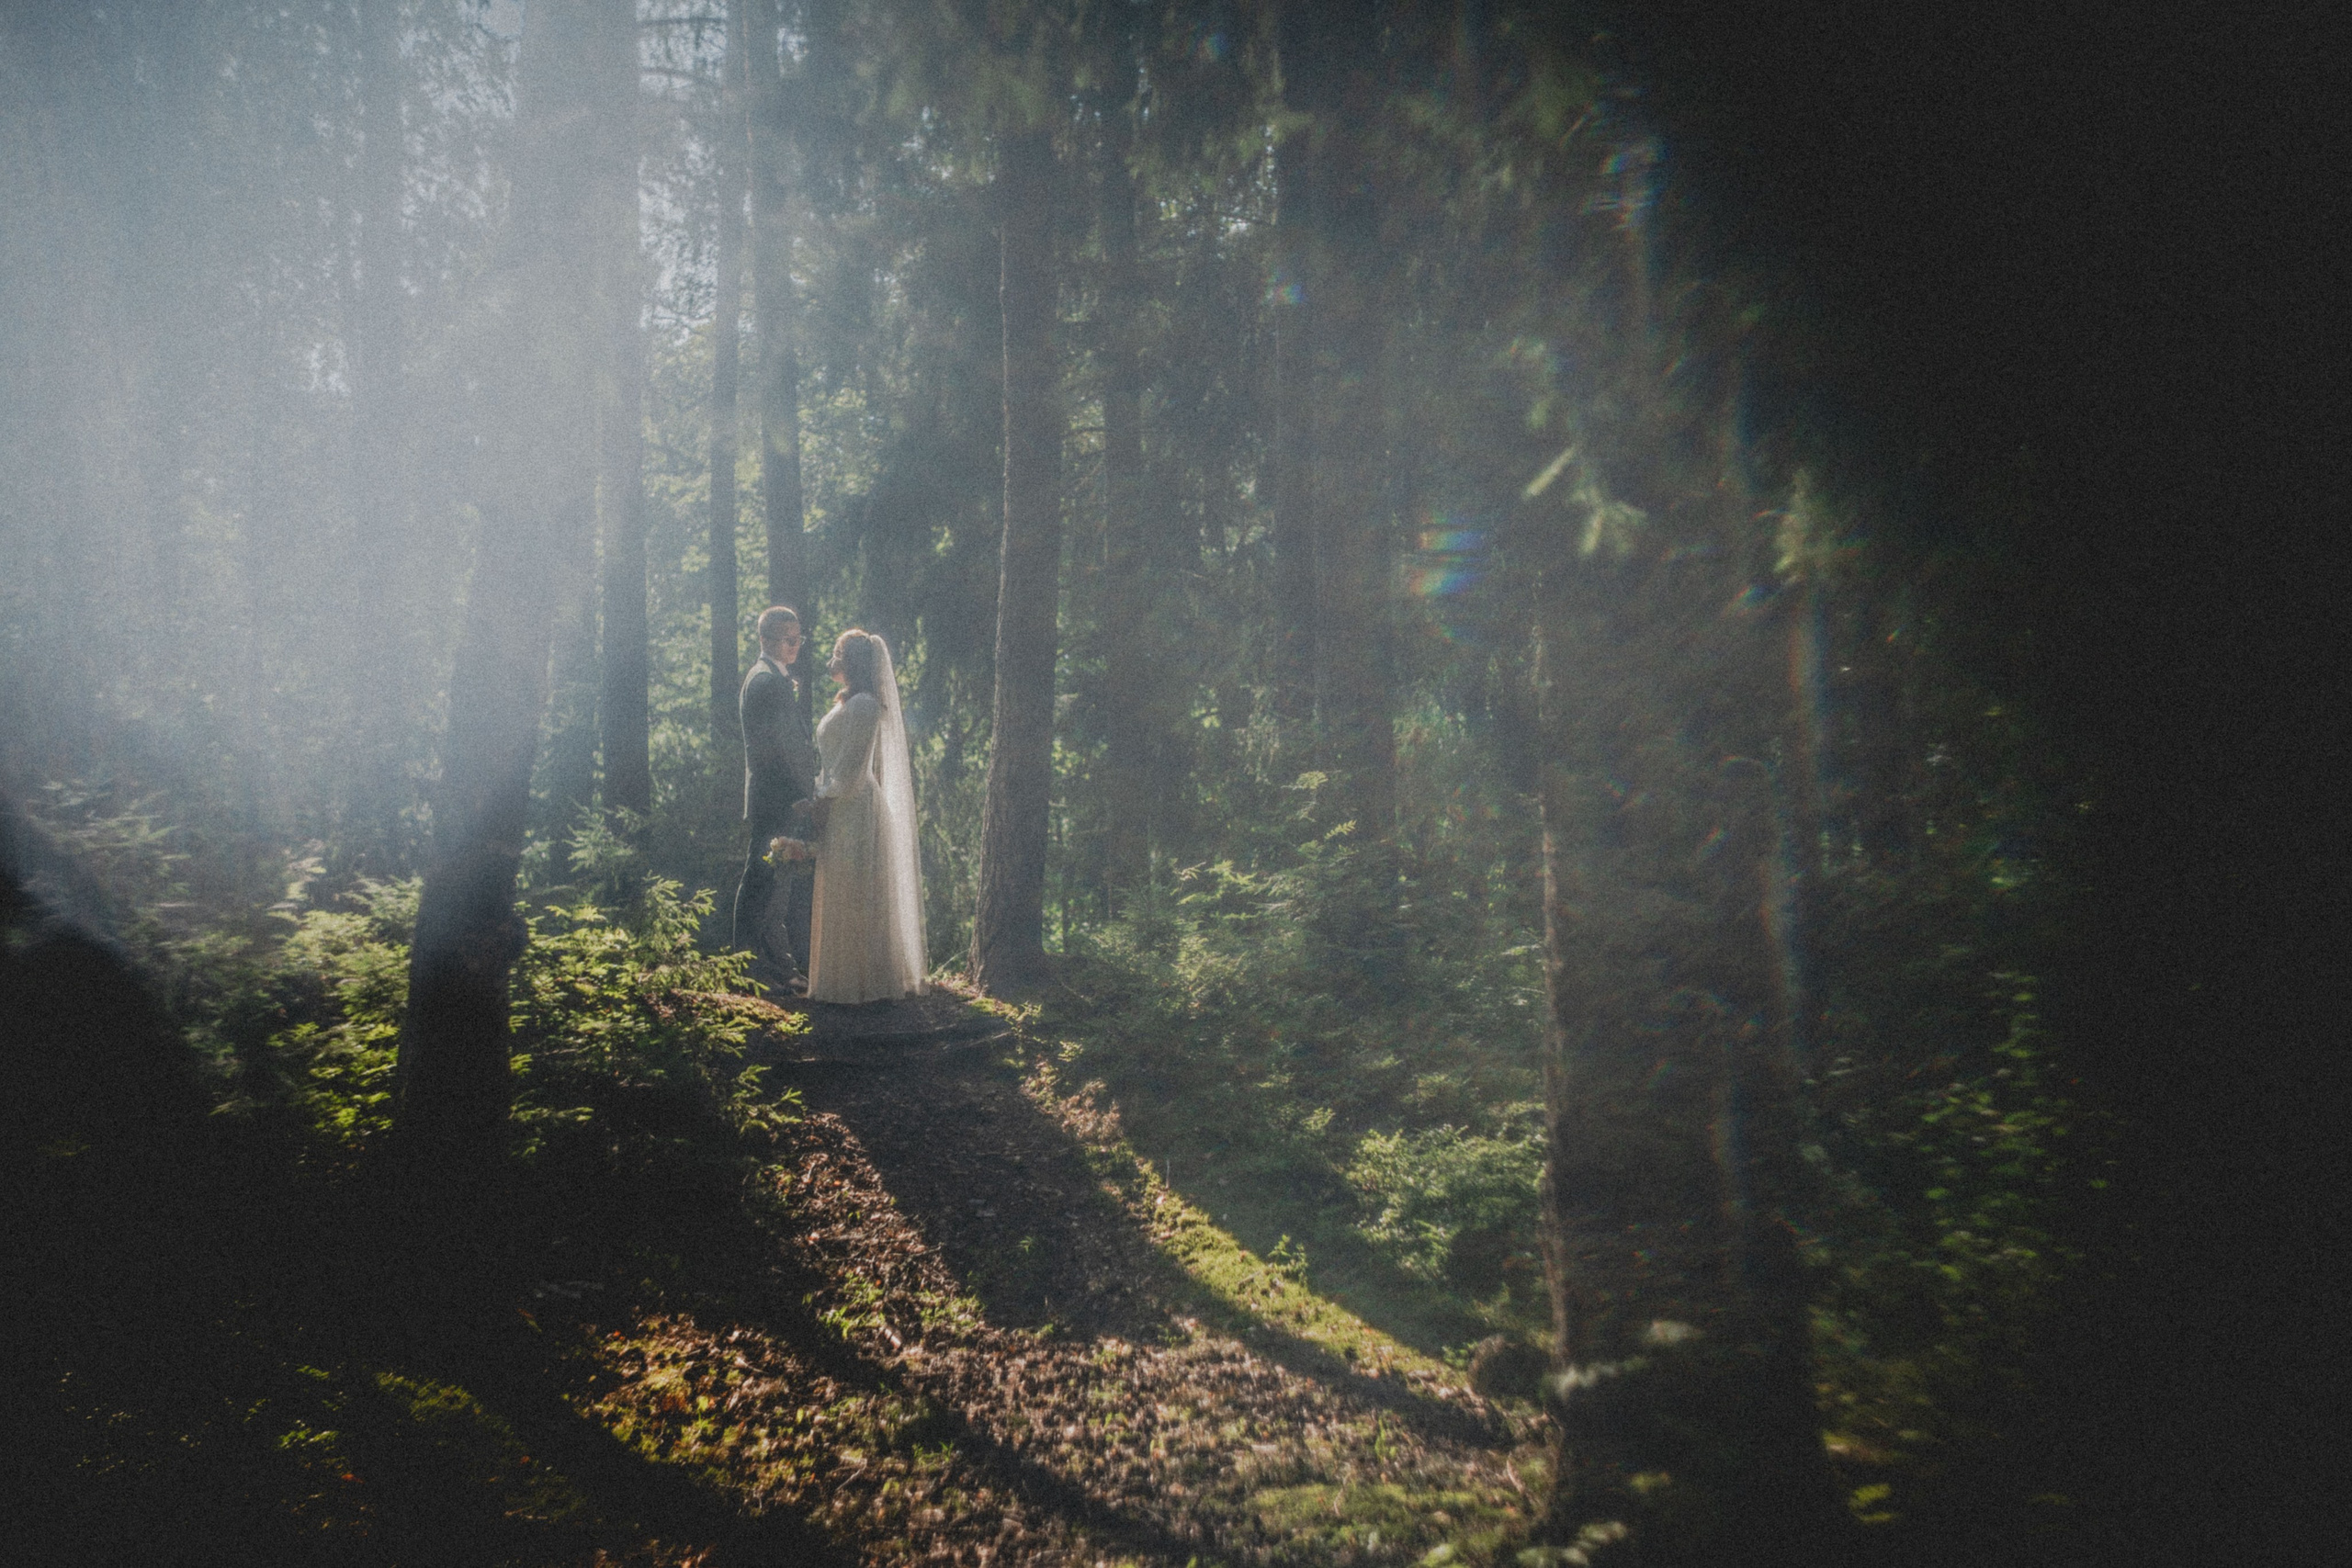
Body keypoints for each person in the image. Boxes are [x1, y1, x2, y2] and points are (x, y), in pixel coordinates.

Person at [806, 629, 928, 1003]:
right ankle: (842, 979)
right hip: (840, 802)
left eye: (838, 653)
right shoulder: (848, 702)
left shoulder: (864, 705)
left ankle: (864, 982)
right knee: (843, 887)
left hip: (855, 807)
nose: (832, 661)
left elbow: (852, 768)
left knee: (856, 891)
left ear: (853, 662)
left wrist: (822, 799)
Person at [733, 605, 818, 988]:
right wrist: (796, 795)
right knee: (762, 881)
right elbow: (772, 753)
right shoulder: (765, 681)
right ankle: (751, 970)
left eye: (798, 638)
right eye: (787, 639)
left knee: (776, 884)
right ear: (765, 639)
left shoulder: (774, 678)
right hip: (775, 798)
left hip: (780, 798)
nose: (795, 645)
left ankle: (778, 968)